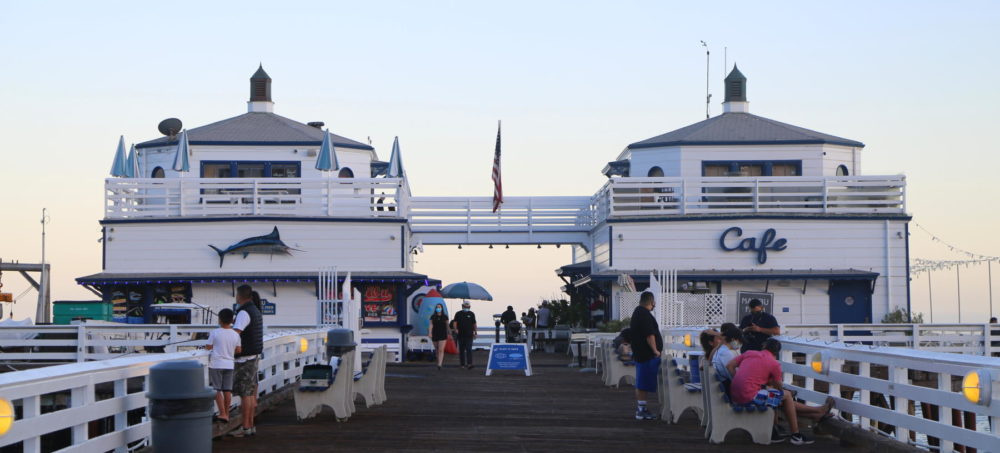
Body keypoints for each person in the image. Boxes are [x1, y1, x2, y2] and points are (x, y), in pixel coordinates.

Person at [727, 339, 833, 445]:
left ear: (764, 347)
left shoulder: (749, 353)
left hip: (736, 395)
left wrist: (737, 380)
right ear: (776, 353)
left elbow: (729, 366)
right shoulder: (774, 364)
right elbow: (779, 388)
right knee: (786, 396)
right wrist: (786, 392)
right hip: (750, 398)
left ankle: (817, 413)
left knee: (782, 399)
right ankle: (796, 435)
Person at [230, 284, 263, 437]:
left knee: (245, 394)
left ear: (239, 296)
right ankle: (250, 426)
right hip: (253, 356)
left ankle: (245, 427)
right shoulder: (255, 310)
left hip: (245, 358)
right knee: (249, 393)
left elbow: (235, 334)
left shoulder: (244, 312)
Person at [629, 291, 662, 420]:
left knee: (642, 382)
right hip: (646, 355)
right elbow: (650, 335)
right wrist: (655, 350)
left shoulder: (638, 312)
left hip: (640, 354)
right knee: (642, 383)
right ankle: (641, 410)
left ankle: (642, 408)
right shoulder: (644, 314)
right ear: (652, 302)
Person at [207, 308, 241, 424]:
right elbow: (238, 349)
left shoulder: (215, 332)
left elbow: (208, 347)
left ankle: (222, 413)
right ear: (232, 320)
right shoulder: (235, 334)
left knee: (216, 389)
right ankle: (226, 413)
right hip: (229, 364)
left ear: (220, 319)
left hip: (216, 363)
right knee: (227, 389)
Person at [450, 301, 477, 369]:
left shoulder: (471, 314)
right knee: (461, 350)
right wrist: (455, 329)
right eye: (465, 306)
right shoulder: (458, 314)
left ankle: (469, 364)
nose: (466, 308)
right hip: (461, 335)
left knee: (469, 349)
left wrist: (475, 332)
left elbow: (474, 323)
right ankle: (462, 364)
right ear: (462, 306)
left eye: (468, 307)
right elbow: (455, 322)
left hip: (469, 335)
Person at [428, 303, 449, 370]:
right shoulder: (433, 316)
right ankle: (438, 361)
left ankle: (440, 364)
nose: (438, 308)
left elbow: (447, 326)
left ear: (442, 308)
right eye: (437, 307)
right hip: (435, 334)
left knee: (441, 349)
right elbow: (431, 325)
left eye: (439, 307)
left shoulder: (445, 317)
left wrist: (449, 332)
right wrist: (430, 333)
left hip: (443, 334)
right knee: (437, 349)